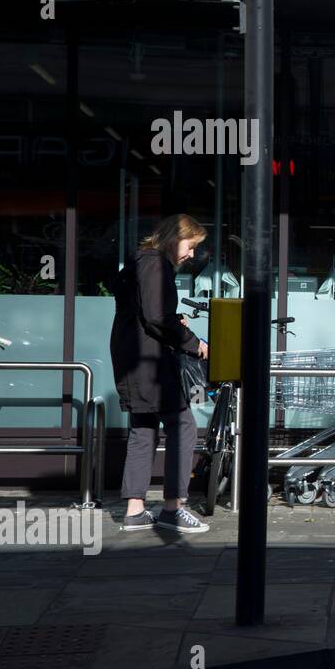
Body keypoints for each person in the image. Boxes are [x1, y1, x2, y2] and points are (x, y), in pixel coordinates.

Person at [110, 214, 211, 534]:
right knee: (183, 426)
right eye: (190, 246)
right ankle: (173, 507)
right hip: (149, 362)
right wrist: (193, 343)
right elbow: (155, 317)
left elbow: (144, 312)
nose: (192, 254)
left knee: (143, 429)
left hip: (132, 357)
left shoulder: (138, 263)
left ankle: (135, 510)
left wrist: (171, 317)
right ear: (173, 238)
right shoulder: (156, 264)